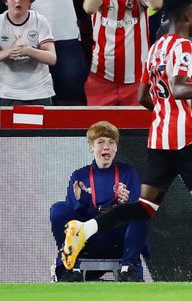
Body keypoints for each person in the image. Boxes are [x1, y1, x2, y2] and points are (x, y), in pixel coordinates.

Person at [60, 0, 192, 290]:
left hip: (159, 138)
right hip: (186, 139)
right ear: (186, 16)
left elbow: (142, 96)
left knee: (145, 206)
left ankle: (85, 228)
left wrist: (165, 112)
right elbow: (179, 88)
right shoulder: (184, 47)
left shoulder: (157, 46)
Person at [50, 121, 147, 282]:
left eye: (111, 142)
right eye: (100, 142)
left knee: (141, 210)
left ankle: (129, 268)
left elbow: (138, 207)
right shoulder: (79, 175)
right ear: (91, 147)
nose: (106, 147)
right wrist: (82, 201)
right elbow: (73, 213)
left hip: (119, 239)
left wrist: (126, 204)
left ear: (116, 148)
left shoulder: (128, 171)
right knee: (58, 209)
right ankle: (68, 266)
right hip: (87, 240)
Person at [83, 0, 163, 106]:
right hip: (101, 79)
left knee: (136, 129)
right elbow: (89, 8)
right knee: (100, 130)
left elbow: (156, 4)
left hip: (137, 81)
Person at [0, 0, 56, 105]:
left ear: (30, 0)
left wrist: (28, 50)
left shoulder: (40, 21)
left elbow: (52, 58)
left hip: (38, 92)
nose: (18, 1)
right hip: (6, 92)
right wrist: (10, 51)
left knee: (35, 126)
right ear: (5, 0)